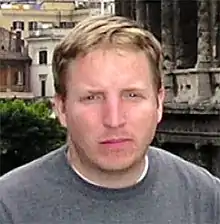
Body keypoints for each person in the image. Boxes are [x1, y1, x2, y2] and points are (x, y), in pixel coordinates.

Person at [0, 15, 219, 224]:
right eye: (92, 97)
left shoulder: (208, 200)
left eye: (132, 95)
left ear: (159, 103)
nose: (114, 120)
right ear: (61, 109)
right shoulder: (8, 208)